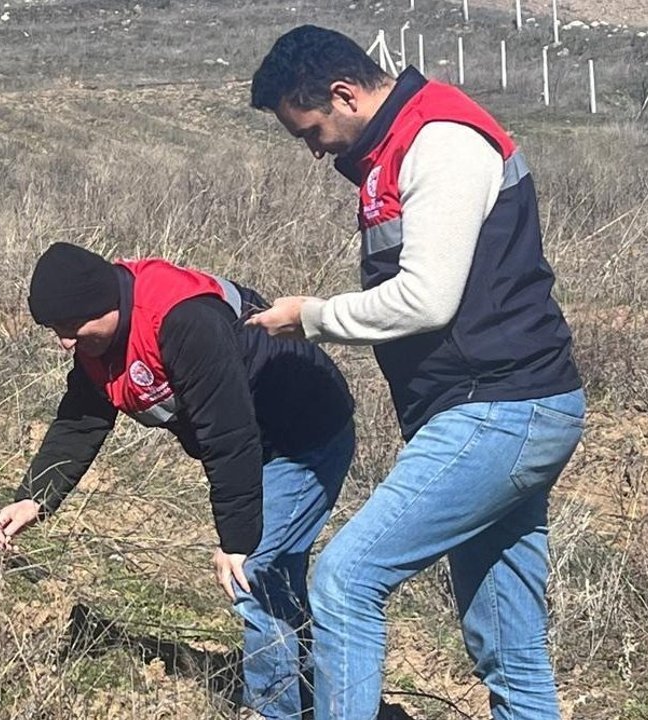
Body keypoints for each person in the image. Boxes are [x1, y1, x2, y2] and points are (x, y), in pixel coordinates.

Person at [246, 25, 585, 720]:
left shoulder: (440, 142)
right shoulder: (393, 153)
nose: (313, 151)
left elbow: (427, 300)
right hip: (501, 407)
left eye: (309, 130)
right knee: (507, 642)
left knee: (345, 580)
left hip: (499, 407)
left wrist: (309, 316)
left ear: (343, 94)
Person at [0, 242, 356, 718]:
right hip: (253, 445)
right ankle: (304, 692)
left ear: (107, 306)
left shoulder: (183, 321)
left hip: (304, 435)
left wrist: (238, 537)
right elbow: (82, 418)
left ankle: (277, 709)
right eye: (56, 330)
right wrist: (35, 498)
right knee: (275, 577)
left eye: (70, 327)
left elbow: (228, 432)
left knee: (257, 571)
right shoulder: (97, 341)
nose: (64, 342)